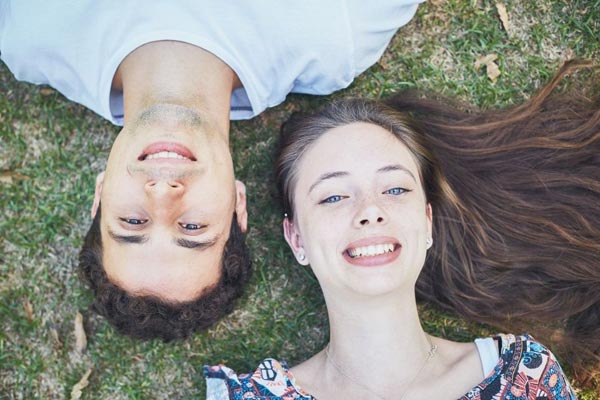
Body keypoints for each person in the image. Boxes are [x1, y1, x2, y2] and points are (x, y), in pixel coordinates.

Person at [0, 0, 422, 340]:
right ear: (238, 205)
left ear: (100, 195)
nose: (163, 192)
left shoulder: (27, 37)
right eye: (193, 227)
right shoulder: (335, 35)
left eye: (132, 221)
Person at [204, 60, 599, 399]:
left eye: (394, 189)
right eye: (333, 197)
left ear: (426, 222)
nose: (370, 210)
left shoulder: (525, 378)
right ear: (297, 239)